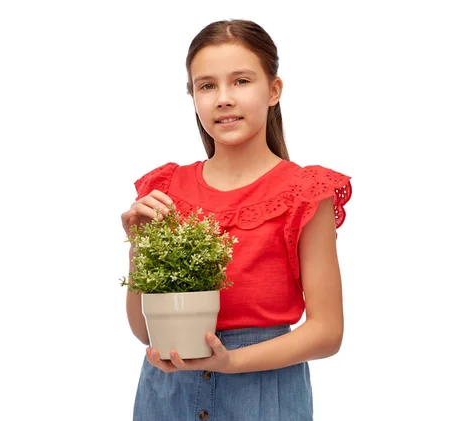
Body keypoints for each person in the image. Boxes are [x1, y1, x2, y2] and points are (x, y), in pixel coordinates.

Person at [120, 19, 352, 421]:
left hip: (262, 394)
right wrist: (139, 247)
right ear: (193, 96)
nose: (223, 99)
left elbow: (327, 332)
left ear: (274, 90)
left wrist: (230, 362)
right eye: (207, 86)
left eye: (241, 81)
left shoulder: (304, 192)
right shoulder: (165, 189)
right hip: (166, 396)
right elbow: (145, 331)